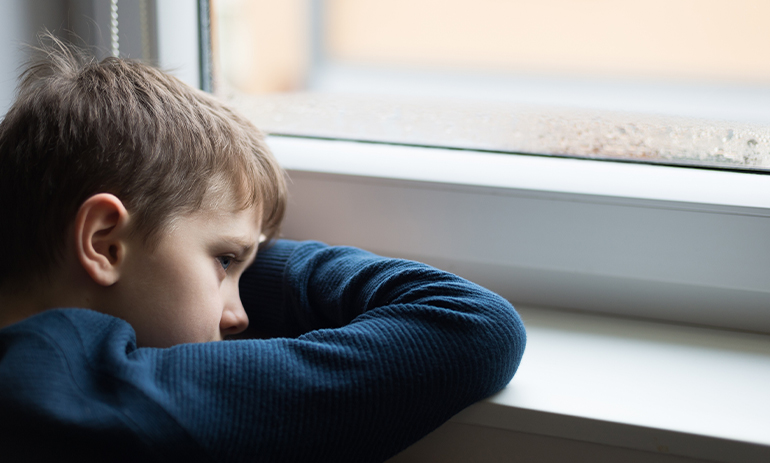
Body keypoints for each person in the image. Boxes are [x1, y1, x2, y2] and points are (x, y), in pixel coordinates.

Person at [0, 36, 526, 463]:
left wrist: (232, 249)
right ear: (104, 243)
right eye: (224, 262)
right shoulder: (104, 405)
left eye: (239, 270)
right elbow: (472, 322)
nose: (240, 315)